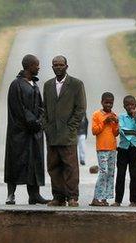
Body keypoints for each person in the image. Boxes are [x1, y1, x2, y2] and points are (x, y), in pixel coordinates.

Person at [40, 55, 86, 207]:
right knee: (53, 166)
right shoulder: (47, 85)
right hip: (52, 134)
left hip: (68, 134)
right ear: (52, 67)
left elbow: (80, 109)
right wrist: (46, 126)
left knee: (70, 166)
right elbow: (43, 109)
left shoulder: (76, 84)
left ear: (67, 66)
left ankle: (72, 196)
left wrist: (71, 127)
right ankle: (58, 196)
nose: (58, 67)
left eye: (61, 65)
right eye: (55, 65)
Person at [4, 54, 49, 205]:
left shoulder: (34, 84)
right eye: (36, 65)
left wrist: (40, 121)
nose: (38, 67)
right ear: (29, 66)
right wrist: (32, 122)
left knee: (35, 161)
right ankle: (11, 194)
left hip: (35, 132)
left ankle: (34, 194)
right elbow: (19, 109)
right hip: (20, 132)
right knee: (15, 162)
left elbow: (42, 107)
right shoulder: (16, 84)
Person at [90, 92, 119, 206]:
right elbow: (94, 131)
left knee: (110, 173)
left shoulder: (114, 115)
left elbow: (115, 133)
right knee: (103, 172)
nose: (108, 105)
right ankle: (96, 198)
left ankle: (104, 198)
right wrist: (105, 121)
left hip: (112, 148)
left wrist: (115, 124)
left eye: (110, 103)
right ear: (101, 102)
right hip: (102, 148)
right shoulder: (97, 115)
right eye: (106, 103)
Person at [115, 95, 136, 207]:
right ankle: (118, 200)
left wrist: (135, 121)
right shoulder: (121, 117)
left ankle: (134, 200)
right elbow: (122, 130)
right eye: (127, 105)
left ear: (135, 105)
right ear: (124, 106)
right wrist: (134, 133)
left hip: (134, 149)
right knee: (121, 174)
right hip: (123, 149)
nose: (130, 107)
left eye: (132, 104)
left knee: (135, 174)